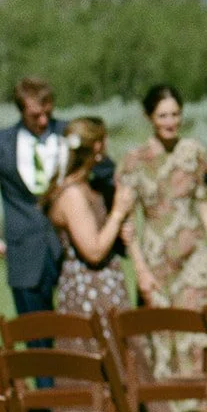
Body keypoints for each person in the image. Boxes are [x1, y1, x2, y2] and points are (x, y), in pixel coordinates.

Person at [0, 76, 116, 315]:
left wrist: (106, 221)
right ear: (21, 111)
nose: (43, 120)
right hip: (25, 256)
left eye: (48, 113)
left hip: (74, 255)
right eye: (35, 115)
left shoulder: (71, 134)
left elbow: (107, 174)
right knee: (37, 339)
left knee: (80, 333)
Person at [118, 84, 207, 405]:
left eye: (175, 114)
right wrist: (140, 268)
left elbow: (204, 199)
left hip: (194, 253)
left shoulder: (192, 152)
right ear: (149, 117)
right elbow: (126, 221)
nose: (170, 121)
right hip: (155, 257)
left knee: (199, 329)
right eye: (163, 115)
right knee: (162, 333)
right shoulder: (134, 161)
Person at [44, 118, 136, 346]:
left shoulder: (89, 186)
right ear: (96, 146)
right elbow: (93, 251)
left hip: (105, 287)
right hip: (89, 293)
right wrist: (117, 212)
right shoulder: (72, 194)